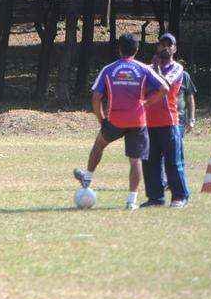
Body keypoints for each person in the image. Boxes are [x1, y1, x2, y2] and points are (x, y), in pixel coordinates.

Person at [73, 33, 170, 210]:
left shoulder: (109, 69)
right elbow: (165, 88)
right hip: (137, 121)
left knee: (99, 145)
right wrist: (147, 103)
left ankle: (87, 177)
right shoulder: (143, 69)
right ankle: (131, 201)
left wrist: (101, 119)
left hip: (115, 120)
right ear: (137, 49)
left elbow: (96, 97)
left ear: (119, 49)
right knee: (135, 160)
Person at [142, 33, 190, 207]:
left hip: (169, 122)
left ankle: (180, 196)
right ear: (157, 47)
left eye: (169, 45)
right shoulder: (148, 68)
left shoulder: (177, 68)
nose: (166, 47)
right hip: (149, 123)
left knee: (173, 162)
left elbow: (165, 85)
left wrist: (155, 70)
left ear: (175, 48)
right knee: (150, 163)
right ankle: (155, 198)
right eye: (162, 44)